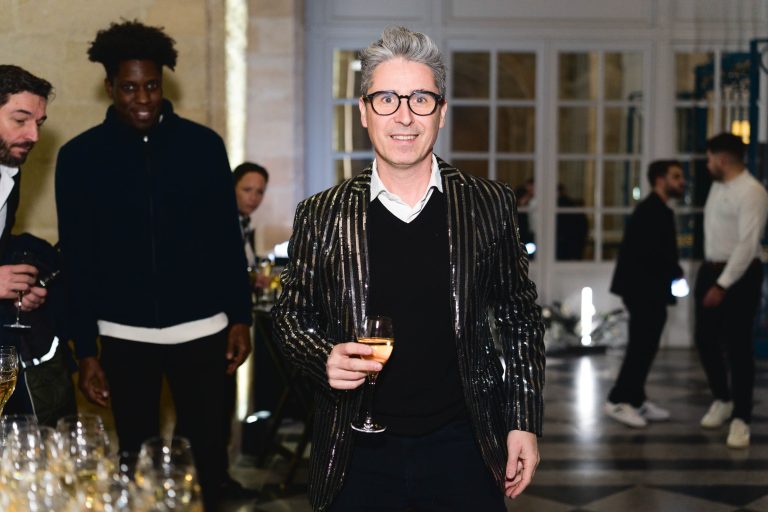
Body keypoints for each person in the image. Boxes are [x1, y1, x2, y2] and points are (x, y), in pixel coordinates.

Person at [273, 26, 545, 512]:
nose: (403, 116)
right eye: (386, 99)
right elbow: (290, 314)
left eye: (420, 99)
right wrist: (322, 357)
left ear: (441, 112)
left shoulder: (488, 204)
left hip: (464, 443)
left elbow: (519, 317)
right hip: (355, 450)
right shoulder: (323, 213)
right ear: (363, 112)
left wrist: (523, 419)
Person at [54, 21, 253, 507]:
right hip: (124, 336)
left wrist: (241, 317)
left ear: (162, 84)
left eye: (150, 85)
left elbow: (227, 240)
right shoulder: (79, 158)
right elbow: (76, 257)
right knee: (134, 462)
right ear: (110, 87)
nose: (141, 98)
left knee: (206, 460)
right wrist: (86, 350)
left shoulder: (204, 147)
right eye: (129, 87)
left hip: (203, 330)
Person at [0, 65, 76, 426]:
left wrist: (15, 293)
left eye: (40, 122)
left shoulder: (10, 173)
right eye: (20, 119)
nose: (33, 134)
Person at [694, 132, 768, 449]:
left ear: (722, 159)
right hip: (709, 270)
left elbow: (747, 245)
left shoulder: (752, 192)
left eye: (709, 158)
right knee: (705, 340)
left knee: (738, 347)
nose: (707, 164)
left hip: (739, 277)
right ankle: (722, 399)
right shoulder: (718, 185)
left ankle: (741, 418)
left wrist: (723, 285)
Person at [604, 160, 686, 428]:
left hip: (650, 291)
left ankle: (636, 399)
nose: (681, 182)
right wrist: (675, 270)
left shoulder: (658, 209)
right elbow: (651, 254)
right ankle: (618, 400)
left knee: (646, 347)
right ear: (660, 180)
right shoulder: (650, 210)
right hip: (643, 292)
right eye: (676, 176)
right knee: (640, 348)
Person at [233, 161, 270, 289]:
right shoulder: (220, 226)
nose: (253, 198)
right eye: (247, 190)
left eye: (259, 192)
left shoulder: (246, 223)